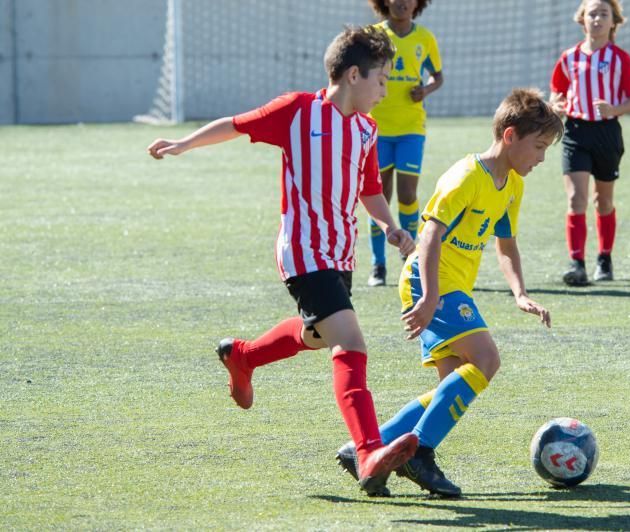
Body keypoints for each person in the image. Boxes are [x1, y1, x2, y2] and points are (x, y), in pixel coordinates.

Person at [146, 26, 419, 497]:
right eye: (382, 79)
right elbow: (235, 124)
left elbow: (369, 189)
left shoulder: (367, 129)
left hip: (338, 253)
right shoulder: (299, 111)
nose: (385, 89)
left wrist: (389, 226)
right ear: (354, 75)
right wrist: (183, 144)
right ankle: (369, 448)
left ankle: (244, 357)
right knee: (349, 341)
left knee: (316, 335)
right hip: (303, 250)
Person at [335, 88, 562, 497]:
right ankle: (419, 454)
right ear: (510, 136)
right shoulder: (466, 177)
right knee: (487, 360)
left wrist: (520, 294)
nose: (542, 158)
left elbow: (506, 245)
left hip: (449, 287)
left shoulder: (512, 185)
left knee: (452, 384)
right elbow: (429, 236)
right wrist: (429, 298)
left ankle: (368, 447)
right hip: (430, 281)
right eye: (539, 147)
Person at [549, 0, 630, 286]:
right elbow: (557, 94)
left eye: (604, 14)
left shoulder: (620, 58)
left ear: (613, 21)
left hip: (607, 133)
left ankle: (604, 258)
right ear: (582, 20)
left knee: (602, 200)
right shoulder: (568, 58)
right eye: (593, 13)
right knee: (575, 198)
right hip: (576, 132)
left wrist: (614, 109)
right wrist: (557, 106)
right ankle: (576, 263)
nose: (598, 19)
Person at [366, 0, 444, 287]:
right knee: (379, 196)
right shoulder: (374, 35)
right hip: (377, 127)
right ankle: (378, 264)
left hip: (412, 127)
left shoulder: (425, 38)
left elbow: (438, 76)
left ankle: (409, 255)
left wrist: (424, 90)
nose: (402, 2)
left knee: (408, 194)